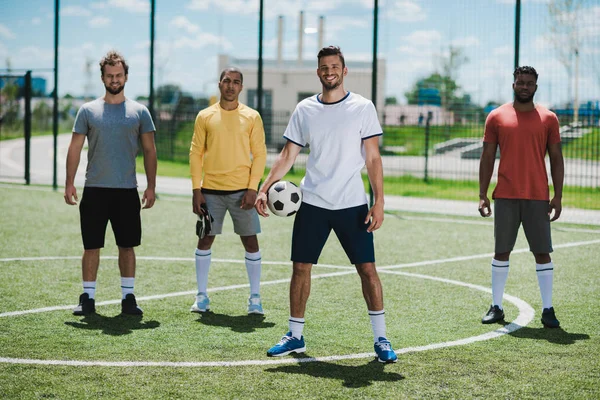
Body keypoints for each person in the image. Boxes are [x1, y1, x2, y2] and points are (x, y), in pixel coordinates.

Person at [255, 46, 397, 363]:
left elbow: (373, 157)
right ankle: (295, 336)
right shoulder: (305, 109)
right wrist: (264, 188)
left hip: (352, 203)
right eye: (323, 66)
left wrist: (379, 201)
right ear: (318, 72)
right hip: (313, 202)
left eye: (334, 66)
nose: (329, 71)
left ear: (344, 71)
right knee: (301, 268)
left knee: (367, 270)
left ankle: (382, 338)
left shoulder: (362, 107)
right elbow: (288, 155)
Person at [64, 50, 157, 316]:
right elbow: (74, 148)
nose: (114, 79)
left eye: (118, 75)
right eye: (109, 75)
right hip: (94, 190)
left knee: (126, 246)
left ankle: (128, 298)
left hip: (127, 191)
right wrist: (69, 183)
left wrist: (151, 186)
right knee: (91, 246)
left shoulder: (140, 112)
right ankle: (87, 298)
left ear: (126, 76)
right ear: (102, 77)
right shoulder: (87, 111)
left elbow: (150, 151)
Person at [478, 66, 564, 328]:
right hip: (505, 195)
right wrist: (482, 194)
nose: (524, 86)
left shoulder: (549, 118)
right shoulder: (496, 116)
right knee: (501, 251)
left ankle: (548, 309)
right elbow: (487, 157)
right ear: (513, 85)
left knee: (542, 253)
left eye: (529, 83)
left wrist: (558, 196)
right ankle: (497, 306)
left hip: (538, 197)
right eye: (520, 82)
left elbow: (557, 159)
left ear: (536, 87)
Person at [189, 67, 267, 315]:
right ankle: (201, 297)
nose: (231, 86)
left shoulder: (252, 117)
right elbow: (195, 153)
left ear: (241, 87)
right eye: (226, 81)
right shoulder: (205, 116)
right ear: (219, 84)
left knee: (250, 241)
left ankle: (255, 298)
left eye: (236, 82)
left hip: (242, 192)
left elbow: (261, 154)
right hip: (210, 192)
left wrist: (253, 188)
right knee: (205, 239)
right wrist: (196, 189)